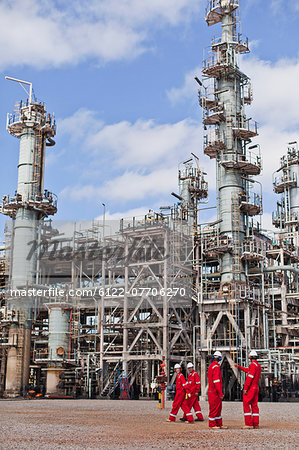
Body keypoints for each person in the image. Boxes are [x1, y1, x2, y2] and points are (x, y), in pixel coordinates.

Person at [235, 350, 261, 429]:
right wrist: (239, 367)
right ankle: (255, 424)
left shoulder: (252, 365)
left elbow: (250, 377)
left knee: (246, 404)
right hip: (256, 387)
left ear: (250, 357)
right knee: (254, 405)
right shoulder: (257, 365)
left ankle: (249, 424)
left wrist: (246, 388)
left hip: (251, 388)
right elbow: (248, 370)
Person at [207, 351, 227, 429]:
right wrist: (220, 393)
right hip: (215, 391)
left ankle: (219, 424)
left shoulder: (212, 366)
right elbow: (216, 381)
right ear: (219, 358)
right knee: (214, 408)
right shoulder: (216, 367)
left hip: (212, 390)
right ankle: (212, 424)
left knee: (218, 408)